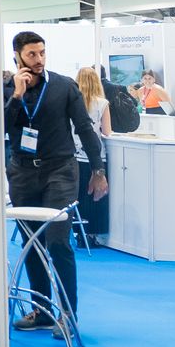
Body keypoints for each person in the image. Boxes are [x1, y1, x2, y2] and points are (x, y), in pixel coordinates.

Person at [4, 30, 106, 339]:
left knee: (58, 241)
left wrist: (98, 169)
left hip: (60, 171)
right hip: (22, 173)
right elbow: (1, 128)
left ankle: (68, 314)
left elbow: (85, 128)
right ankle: (42, 311)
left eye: (42, 53)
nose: (38, 59)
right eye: (31, 54)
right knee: (31, 241)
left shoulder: (64, 86)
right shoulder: (8, 89)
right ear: (17, 56)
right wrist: (17, 95)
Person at [73, 67, 113, 247]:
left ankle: (78, 232)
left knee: (79, 196)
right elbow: (107, 131)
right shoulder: (102, 103)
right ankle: (91, 235)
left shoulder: (73, 102)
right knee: (95, 196)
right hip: (96, 156)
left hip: (75, 155)